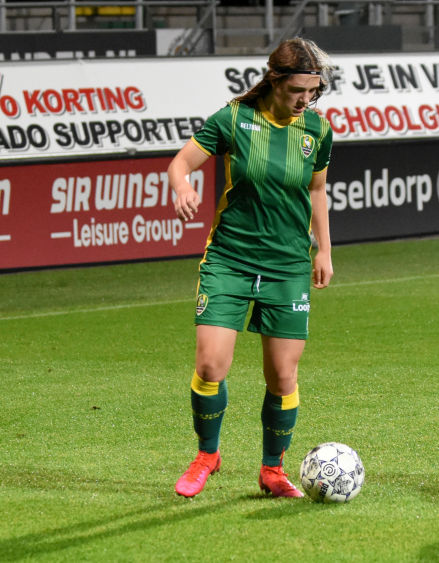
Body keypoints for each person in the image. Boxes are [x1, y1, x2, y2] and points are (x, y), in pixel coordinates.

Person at [168, 37, 334, 498]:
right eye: (299, 90)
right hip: (230, 260)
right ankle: (207, 455)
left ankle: (271, 470)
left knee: (283, 376)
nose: (307, 99)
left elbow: (317, 191)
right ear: (275, 80)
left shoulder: (317, 130)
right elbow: (181, 163)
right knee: (210, 364)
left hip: (286, 265)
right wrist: (182, 186)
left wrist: (324, 250)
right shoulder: (234, 119)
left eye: (313, 91)